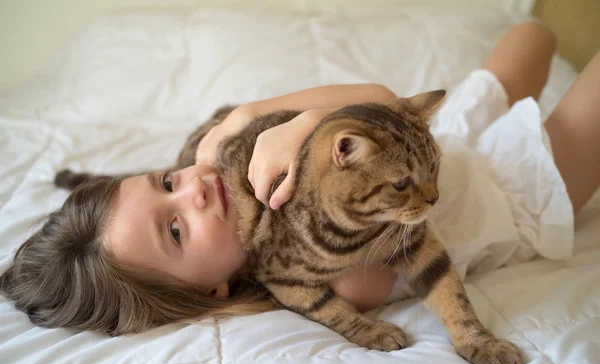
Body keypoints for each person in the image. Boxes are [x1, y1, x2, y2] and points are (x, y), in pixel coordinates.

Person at [1, 22, 599, 335]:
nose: (193, 188)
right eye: (176, 231)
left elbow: (384, 109)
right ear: (213, 291)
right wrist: (306, 126)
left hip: (427, 153)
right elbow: (373, 107)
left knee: (534, 37)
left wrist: (246, 120)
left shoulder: (228, 170)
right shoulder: (334, 278)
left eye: (163, 182)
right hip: (510, 190)